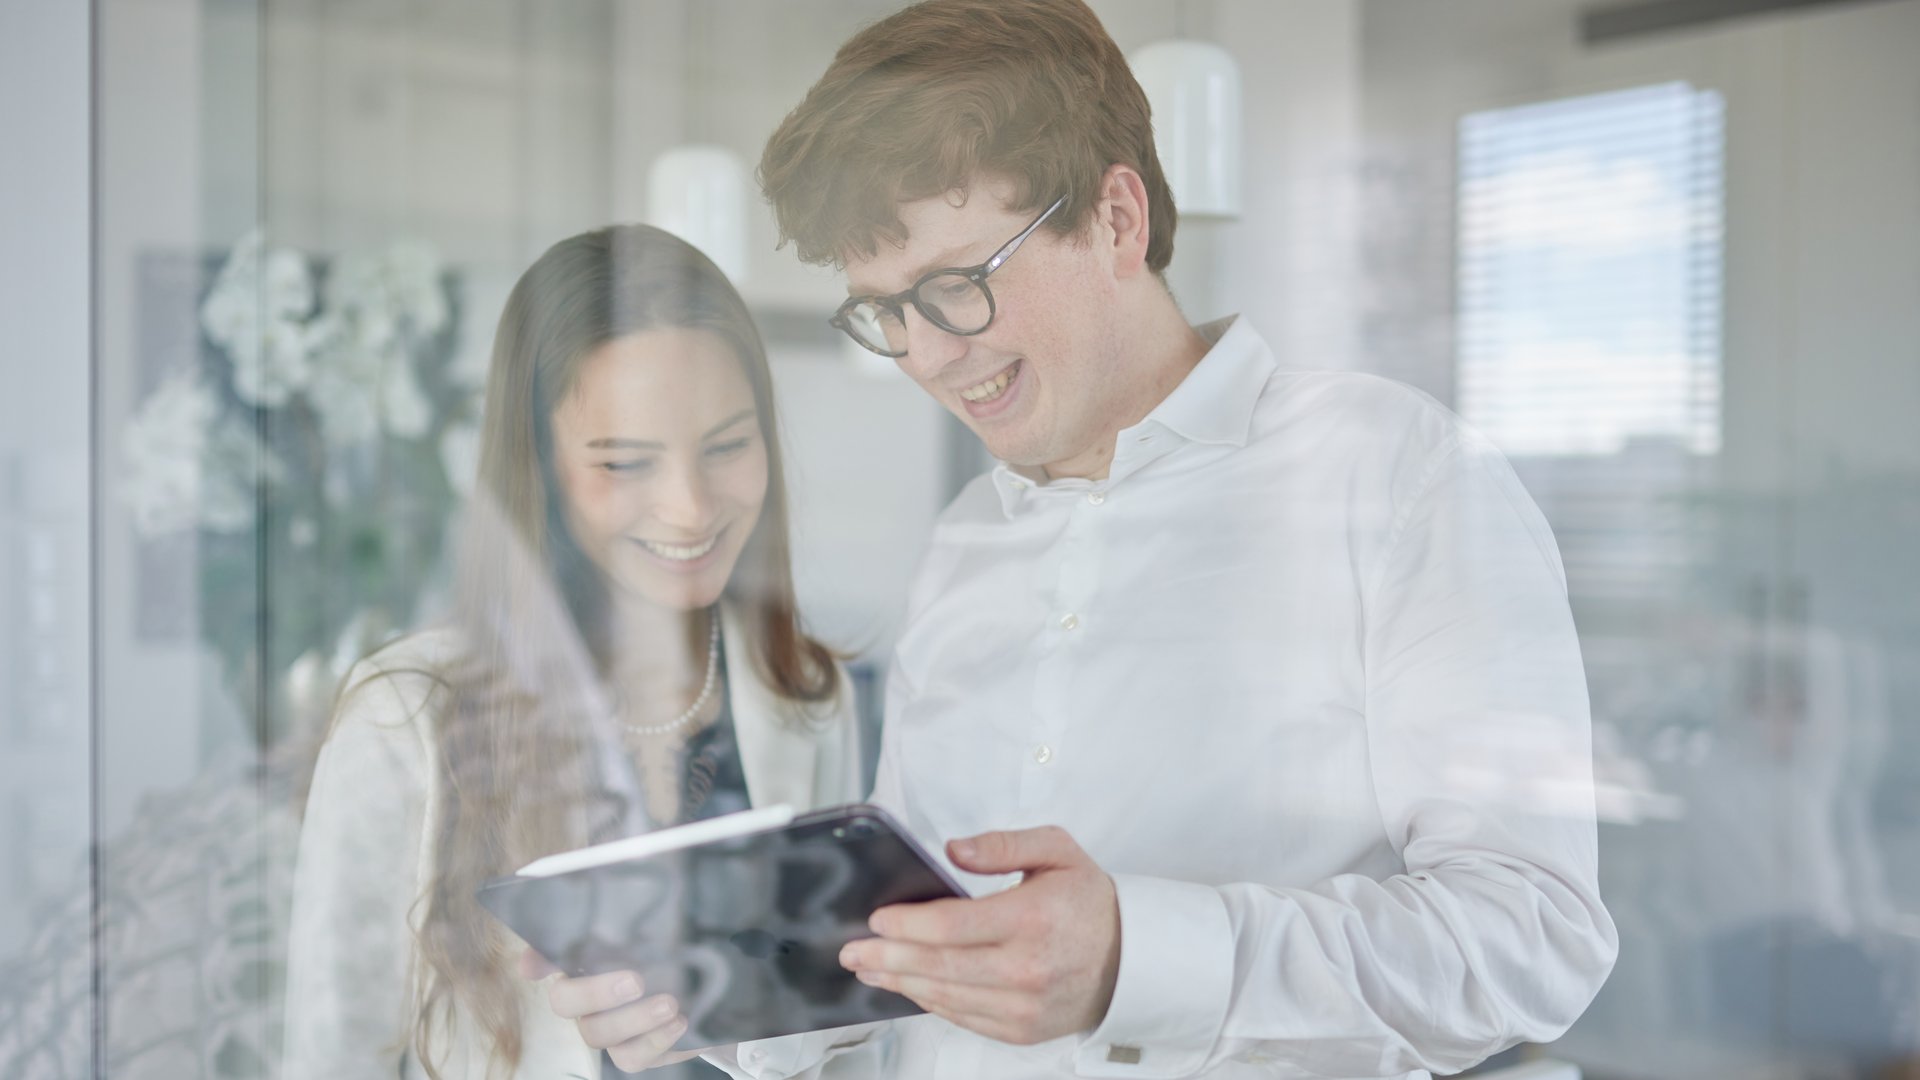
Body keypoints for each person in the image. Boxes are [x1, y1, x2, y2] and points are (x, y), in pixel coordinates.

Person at [545, 1, 1619, 1077]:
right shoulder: (966, 544)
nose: (924, 354)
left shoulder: (1395, 477)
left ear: (1115, 217)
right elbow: (919, 946)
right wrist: (728, 991)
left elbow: (1530, 940)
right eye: (883, 311)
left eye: (955, 287)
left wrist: (1138, 960)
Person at [283, 225, 871, 1080]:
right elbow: (329, 1053)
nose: (690, 508)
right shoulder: (404, 713)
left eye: (728, 447)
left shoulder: (805, 696)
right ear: (541, 469)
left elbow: (843, 1025)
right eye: (627, 463)